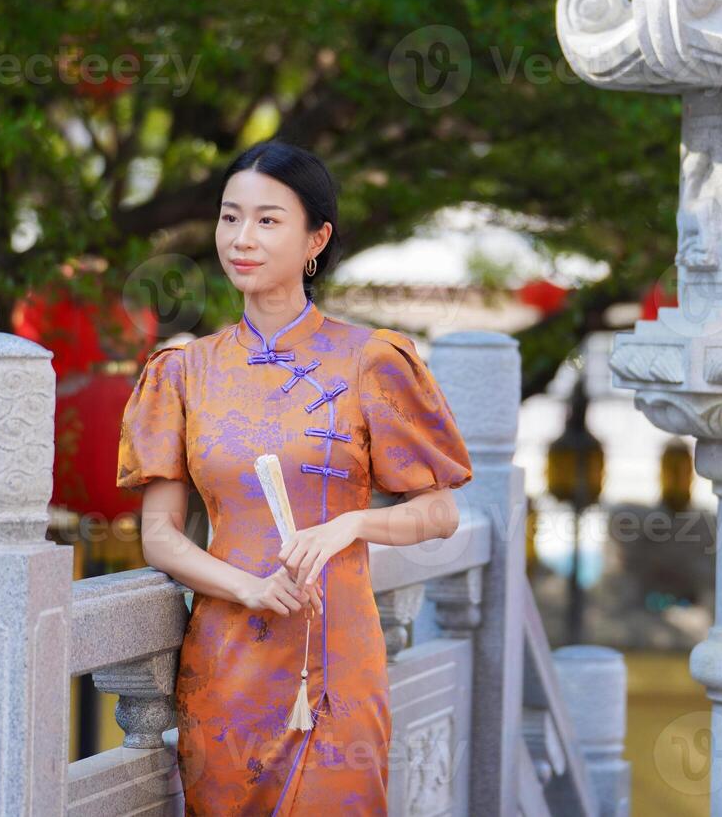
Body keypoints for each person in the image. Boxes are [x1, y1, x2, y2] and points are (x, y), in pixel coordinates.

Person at [115, 139, 473, 814]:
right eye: (230, 217)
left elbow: (441, 512)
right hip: (226, 666)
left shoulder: (371, 360)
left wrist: (351, 524)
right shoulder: (183, 371)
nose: (242, 239)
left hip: (338, 658)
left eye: (268, 220)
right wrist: (247, 589)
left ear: (318, 239)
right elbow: (160, 537)